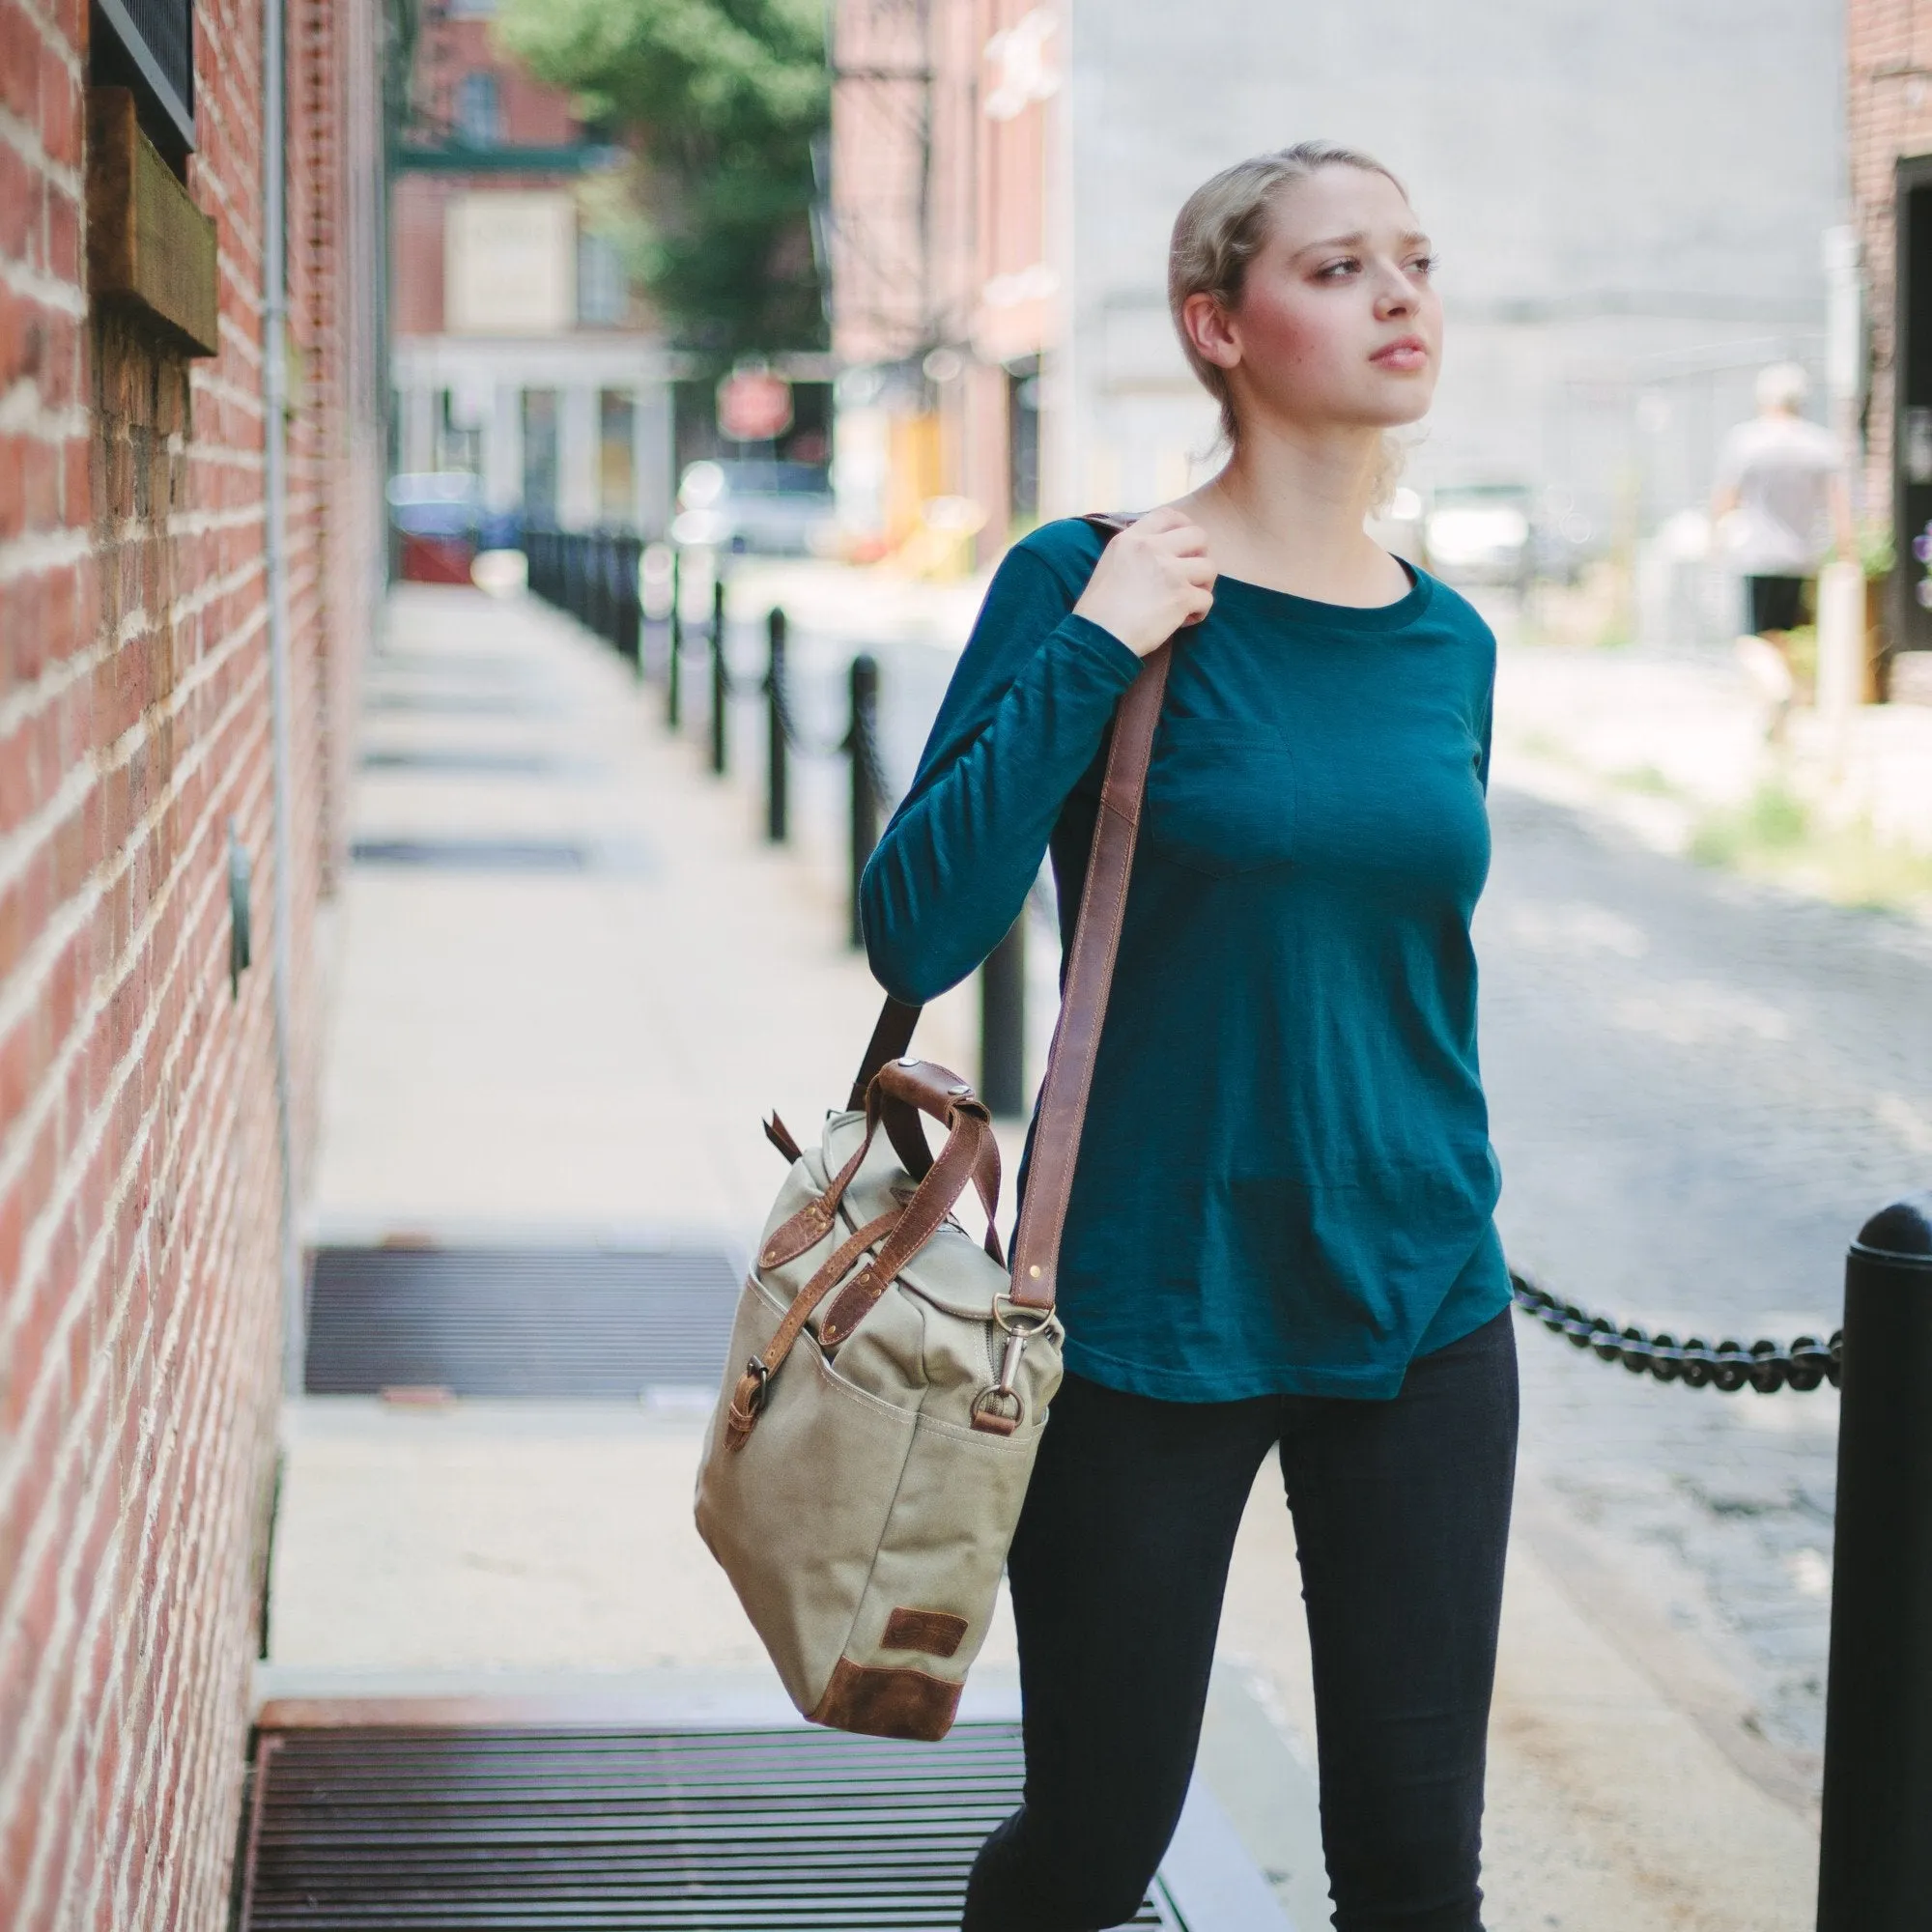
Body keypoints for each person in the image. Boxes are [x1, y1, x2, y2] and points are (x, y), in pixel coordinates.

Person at [861, 143, 1515, 1931]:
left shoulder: (1449, 639)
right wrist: (1095, 644)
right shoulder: (1092, 577)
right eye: (1339, 266)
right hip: (1152, 1307)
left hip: (1425, 1301)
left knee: (1411, 1865)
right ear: (1217, 325)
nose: (1399, 295)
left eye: (1416, 257)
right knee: (1094, 1845)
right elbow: (918, 924)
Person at [1712, 362, 1854, 736]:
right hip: (1801, 557)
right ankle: (1778, 730)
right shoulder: (1819, 444)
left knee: (1751, 641)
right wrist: (1847, 552)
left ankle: (1779, 692)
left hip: (1755, 555)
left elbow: (1726, 497)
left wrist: (1715, 539)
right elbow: (1839, 506)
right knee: (1780, 637)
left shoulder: (1746, 441)